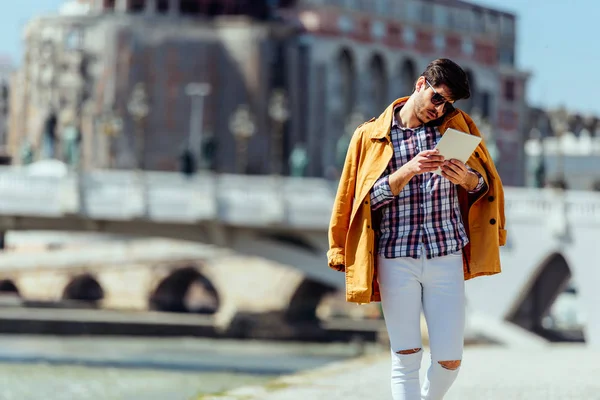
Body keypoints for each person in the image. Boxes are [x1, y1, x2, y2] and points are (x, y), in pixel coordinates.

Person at [327, 58, 506, 400]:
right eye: (437, 98)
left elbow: (486, 186)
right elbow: (359, 203)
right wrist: (407, 171)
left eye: (448, 104)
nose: (439, 109)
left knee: (450, 359)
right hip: (395, 257)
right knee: (405, 356)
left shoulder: (457, 131)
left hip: (446, 254)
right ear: (420, 84)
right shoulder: (370, 136)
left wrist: (467, 179)